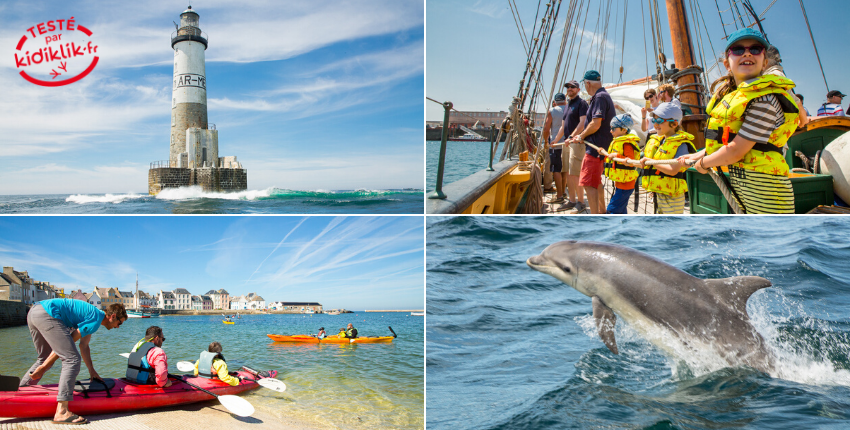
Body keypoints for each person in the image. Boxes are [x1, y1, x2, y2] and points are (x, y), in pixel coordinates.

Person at [678, 28, 799, 214]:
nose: (747, 53)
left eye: (756, 49)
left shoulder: (764, 100)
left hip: (768, 194)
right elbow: (725, 142)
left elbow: (736, 150)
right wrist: (697, 156)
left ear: (765, 62)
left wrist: (703, 164)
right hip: (745, 190)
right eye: (738, 50)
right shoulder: (734, 98)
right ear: (727, 63)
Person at [19, 299, 127, 425]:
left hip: (34, 312)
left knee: (44, 357)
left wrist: (91, 370)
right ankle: (62, 412)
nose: (118, 327)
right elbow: (71, 339)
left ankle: (18, 393)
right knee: (72, 359)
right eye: (119, 323)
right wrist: (44, 367)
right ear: (112, 316)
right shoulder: (96, 319)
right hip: (47, 314)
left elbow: (84, 345)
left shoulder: (93, 316)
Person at [566, 70, 615, 214]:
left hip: (594, 149)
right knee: (596, 182)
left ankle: (595, 218)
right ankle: (602, 211)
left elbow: (595, 124)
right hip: (599, 147)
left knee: (588, 184)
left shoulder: (599, 97)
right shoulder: (603, 96)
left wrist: (581, 136)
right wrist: (582, 137)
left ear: (587, 83)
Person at [640, 103, 695, 214]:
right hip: (658, 193)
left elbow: (673, 170)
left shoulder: (681, 144)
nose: (655, 124)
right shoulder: (660, 141)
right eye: (654, 121)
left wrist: (652, 162)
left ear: (674, 124)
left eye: (659, 121)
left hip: (672, 198)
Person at [552, 80, 590, 212]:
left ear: (578, 90)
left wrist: (570, 137)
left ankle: (581, 202)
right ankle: (572, 200)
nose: (569, 89)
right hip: (567, 144)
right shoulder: (568, 105)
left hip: (576, 143)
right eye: (568, 87)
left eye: (572, 87)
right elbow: (563, 126)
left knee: (576, 173)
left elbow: (582, 123)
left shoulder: (582, 103)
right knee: (568, 173)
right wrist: (555, 141)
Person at [603, 114, 641, 214]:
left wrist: (616, 155)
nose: (611, 131)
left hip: (626, 185)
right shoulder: (618, 141)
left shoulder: (627, 144)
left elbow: (630, 161)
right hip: (621, 184)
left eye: (614, 128)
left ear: (624, 130)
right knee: (621, 210)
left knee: (612, 210)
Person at [543, 93, 568, 203]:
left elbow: (546, 129)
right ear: (565, 100)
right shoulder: (570, 109)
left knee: (556, 169)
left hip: (555, 144)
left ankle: (559, 196)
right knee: (565, 169)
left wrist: (545, 141)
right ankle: (563, 192)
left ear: (555, 101)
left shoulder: (552, 111)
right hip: (568, 143)